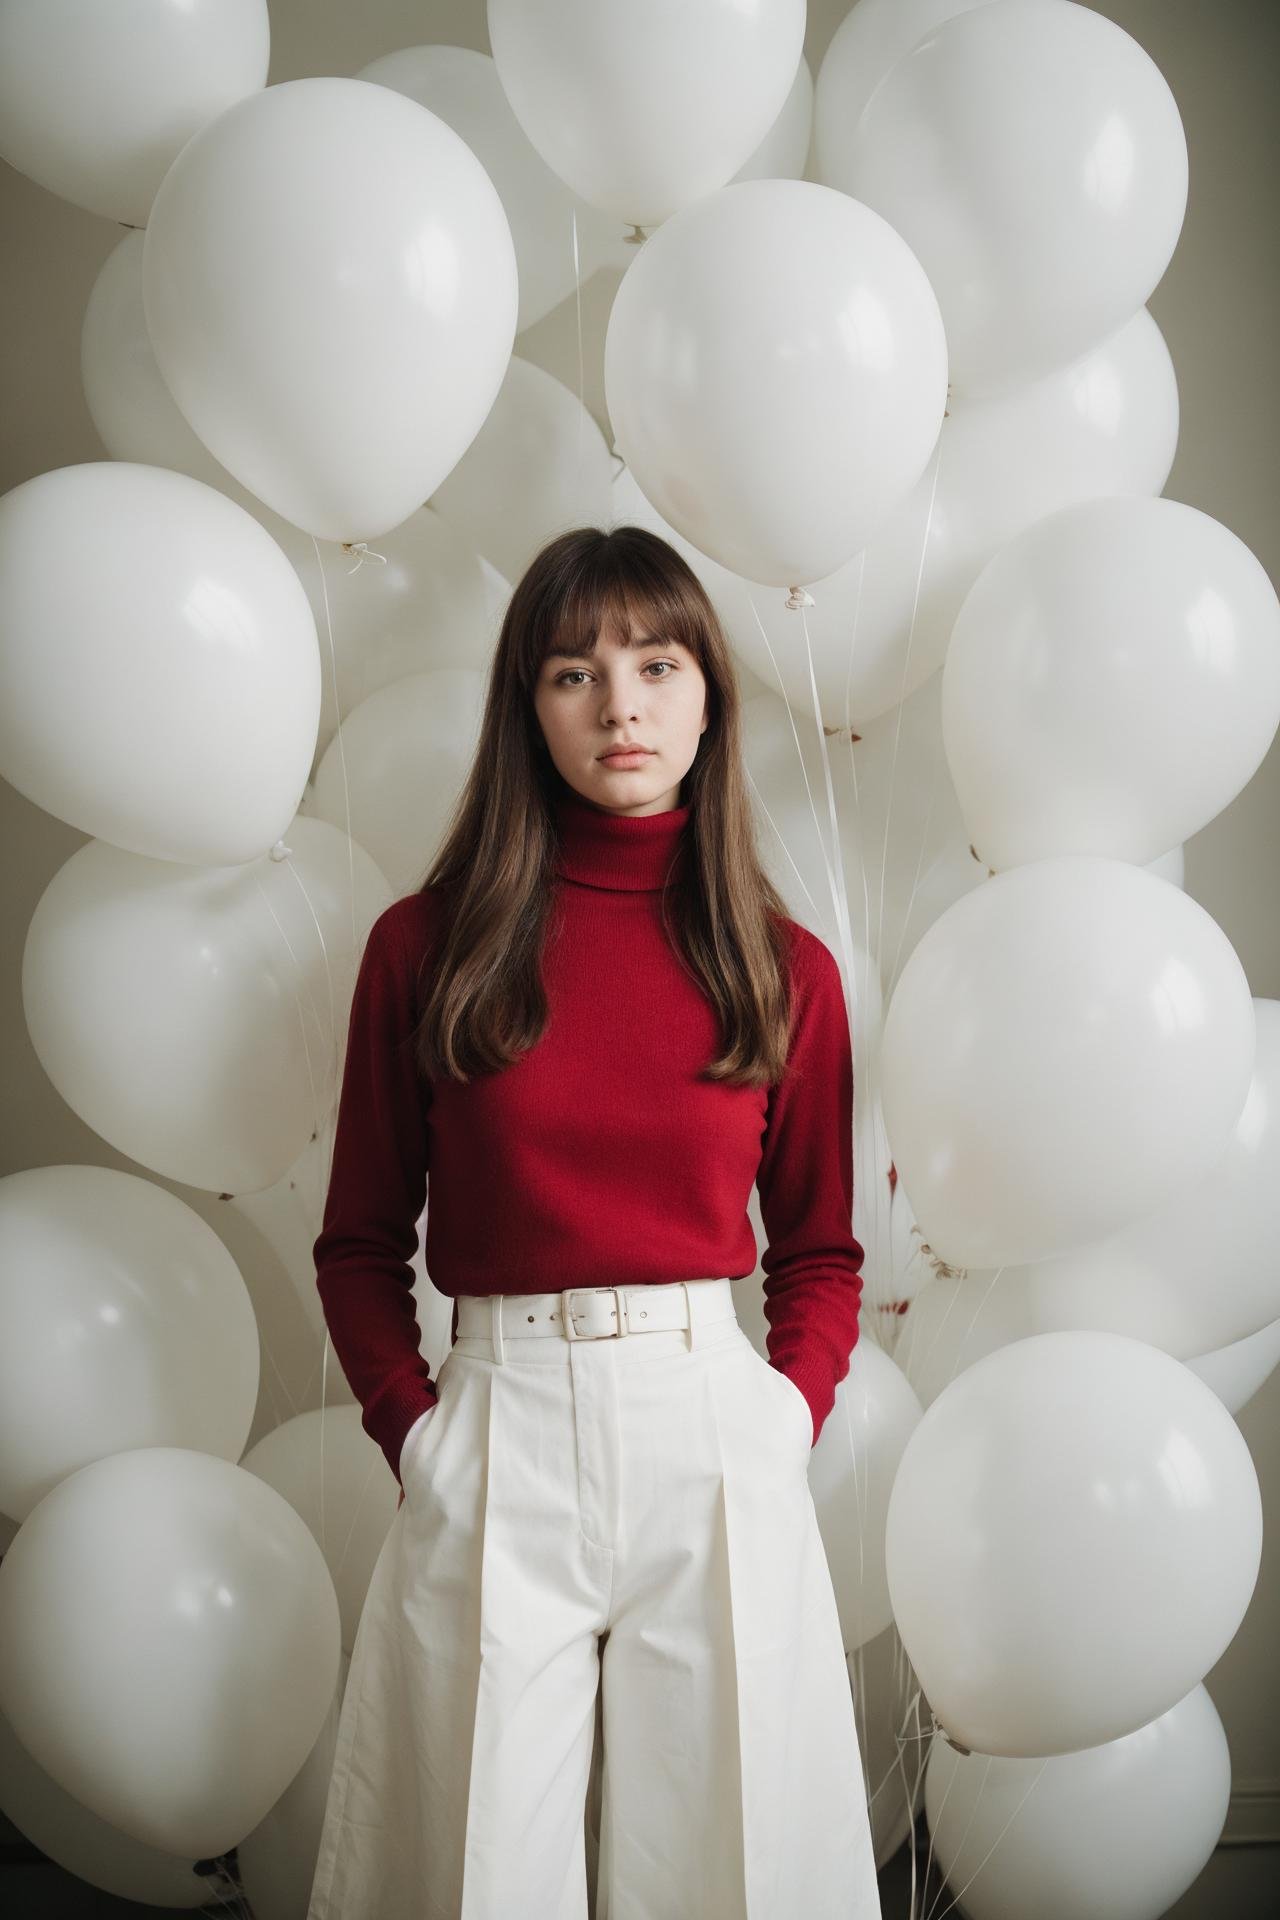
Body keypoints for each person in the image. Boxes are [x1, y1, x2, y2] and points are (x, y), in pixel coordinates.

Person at [306, 525, 882, 1919]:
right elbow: (360, 1242)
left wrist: (780, 1417)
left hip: (710, 1431)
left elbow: (819, 1251)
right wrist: (418, 1431)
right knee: (475, 1867)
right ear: (529, 706)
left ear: (706, 699)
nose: (620, 703)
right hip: (500, 1430)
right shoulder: (426, 947)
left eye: (657, 662)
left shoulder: (780, 964)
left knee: (728, 1869)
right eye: (574, 671)